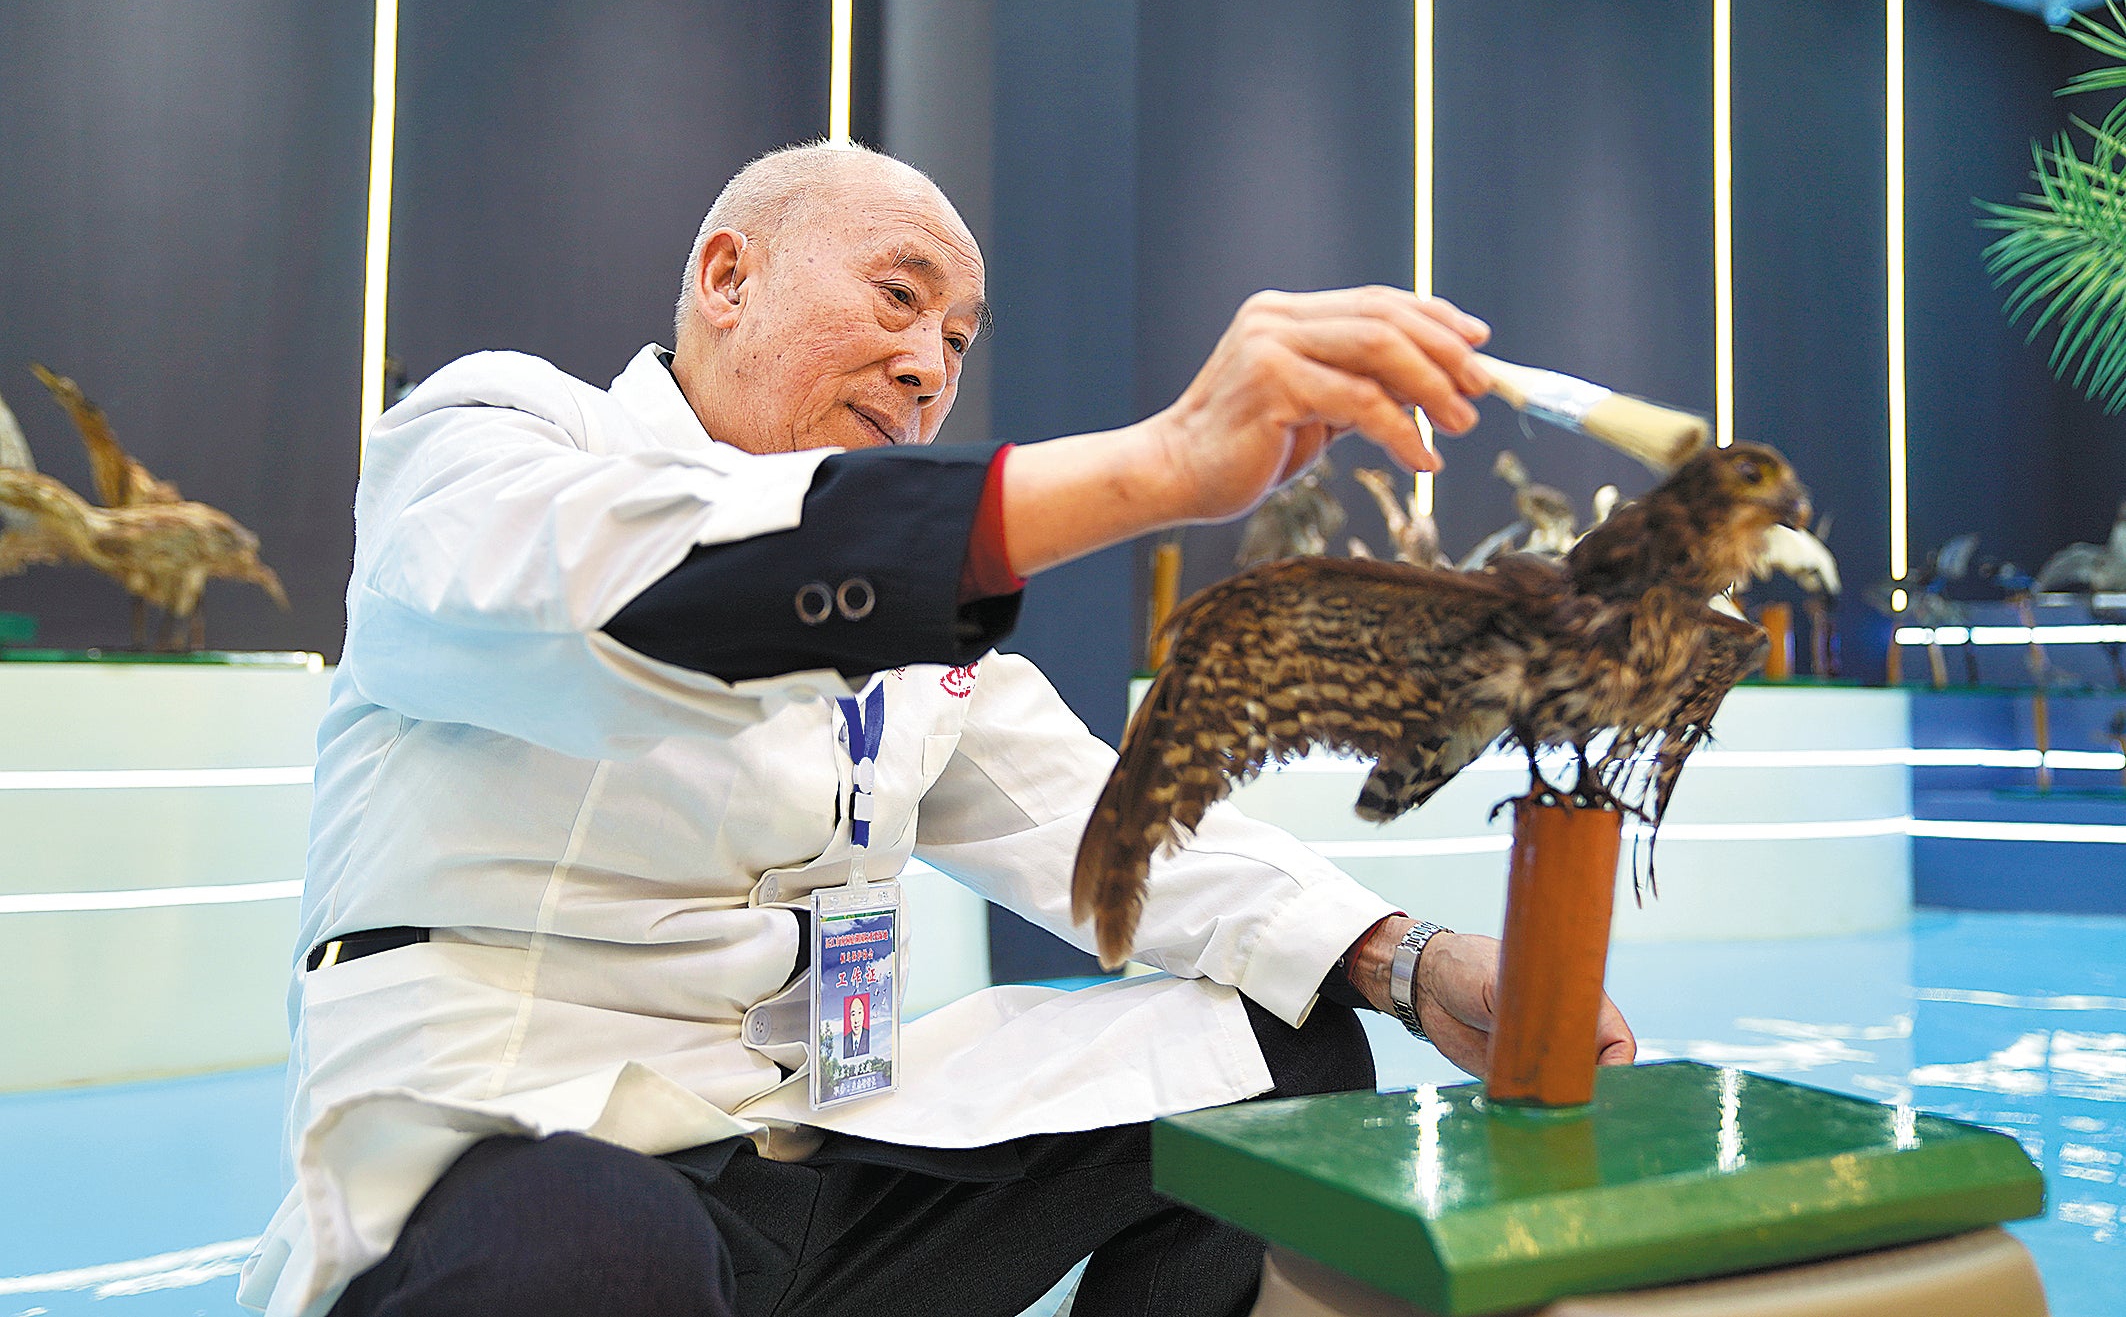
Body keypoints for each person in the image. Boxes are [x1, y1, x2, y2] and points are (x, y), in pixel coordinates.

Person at [238, 143, 1634, 1317]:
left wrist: (1406, 958)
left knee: (1281, 1052)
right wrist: (1162, 466)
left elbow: (1108, 823)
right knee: (597, 1235)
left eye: (956, 342)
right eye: (896, 301)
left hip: (809, 1150)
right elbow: (645, 591)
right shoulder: (492, 447)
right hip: (524, 1146)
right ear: (727, 278)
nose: (926, 366)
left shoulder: (913, 629)